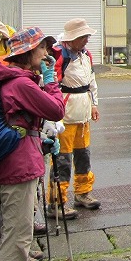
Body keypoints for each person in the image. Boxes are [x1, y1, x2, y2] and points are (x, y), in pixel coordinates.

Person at [0, 27, 65, 261]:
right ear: (28, 52)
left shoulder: (17, 80)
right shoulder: (21, 84)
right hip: (19, 165)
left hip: (19, 159)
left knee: (19, 234)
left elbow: (23, 121)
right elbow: (56, 109)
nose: (46, 53)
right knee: (17, 237)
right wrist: (51, 80)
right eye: (41, 47)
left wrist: (39, 139)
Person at [48, 18, 101, 219]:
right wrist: (54, 115)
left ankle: (83, 192)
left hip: (83, 114)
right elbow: (51, 85)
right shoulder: (59, 55)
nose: (87, 39)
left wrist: (94, 104)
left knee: (83, 156)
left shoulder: (85, 55)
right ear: (73, 38)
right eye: (83, 36)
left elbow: (91, 81)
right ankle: (56, 202)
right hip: (66, 117)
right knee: (62, 160)